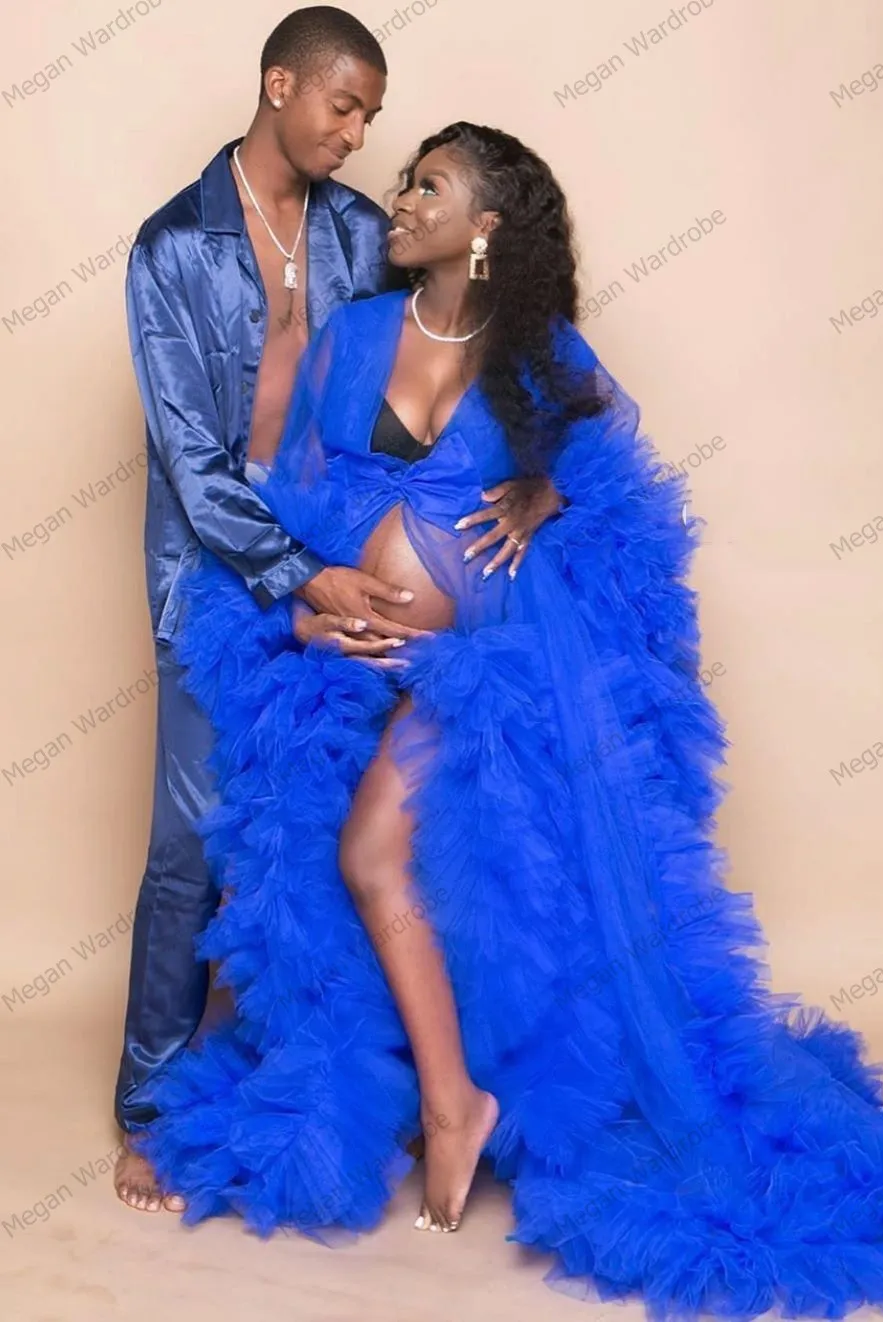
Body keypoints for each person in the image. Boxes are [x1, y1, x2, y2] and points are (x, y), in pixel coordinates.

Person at [130, 121, 883, 1319]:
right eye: (405, 180)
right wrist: (307, 613)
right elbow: (291, 494)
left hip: (493, 668)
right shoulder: (355, 334)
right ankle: (429, 1094)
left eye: (428, 186)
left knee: (381, 854)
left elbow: (613, 462)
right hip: (356, 660)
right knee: (321, 865)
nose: (399, 197)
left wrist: (543, 487)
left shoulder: (539, 355)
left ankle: (461, 1103)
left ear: (487, 227)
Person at [115, 9, 563, 1213]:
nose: (361, 134)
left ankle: (359, 1084)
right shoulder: (173, 246)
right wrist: (297, 582)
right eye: (345, 106)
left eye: (373, 115)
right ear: (281, 87)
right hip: (221, 570)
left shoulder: (365, 233)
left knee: (332, 839)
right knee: (192, 841)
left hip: (339, 568)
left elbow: (446, 366)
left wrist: (536, 478)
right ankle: (152, 1108)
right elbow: (193, 461)